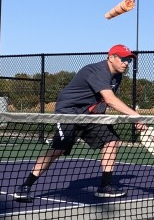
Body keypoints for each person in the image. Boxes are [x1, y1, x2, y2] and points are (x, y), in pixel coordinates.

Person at [13, 44, 146, 201]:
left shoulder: (117, 76)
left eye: (129, 60)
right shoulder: (96, 71)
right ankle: (25, 186)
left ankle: (105, 186)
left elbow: (104, 100)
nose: (126, 63)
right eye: (123, 59)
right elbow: (111, 100)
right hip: (68, 113)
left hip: (89, 116)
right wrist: (135, 116)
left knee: (112, 141)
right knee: (57, 151)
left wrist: (128, 118)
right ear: (110, 58)